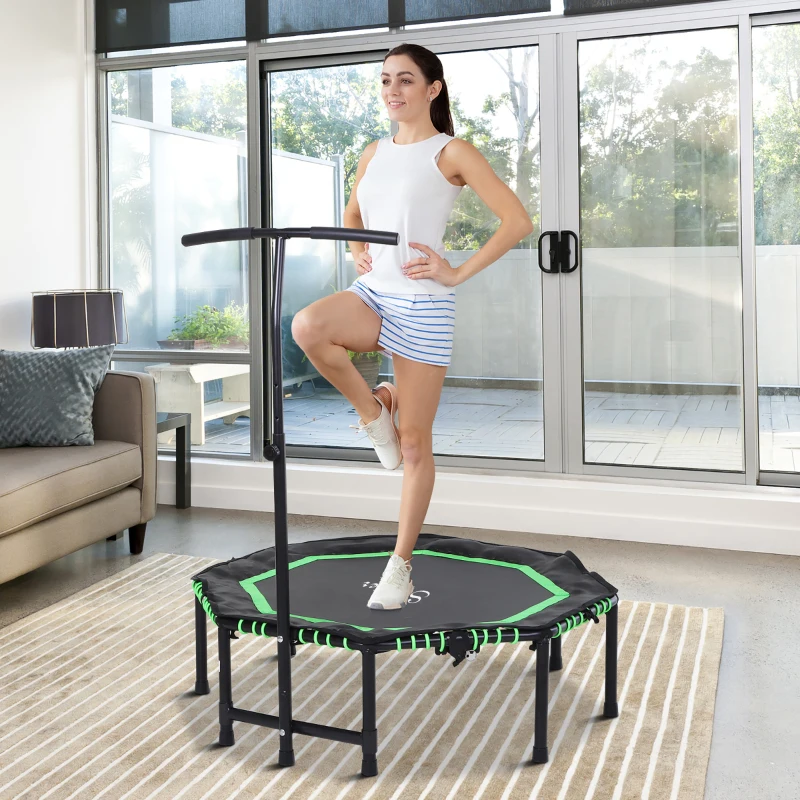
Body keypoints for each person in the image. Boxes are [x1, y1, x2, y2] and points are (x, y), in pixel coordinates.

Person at [291, 42, 533, 610]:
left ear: (432, 89)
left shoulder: (452, 152)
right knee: (308, 327)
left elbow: (517, 220)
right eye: (384, 81)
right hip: (375, 293)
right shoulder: (373, 151)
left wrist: (455, 272)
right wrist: (357, 251)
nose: (392, 90)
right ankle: (375, 412)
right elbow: (354, 213)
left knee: (416, 446)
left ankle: (399, 566)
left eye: (404, 80)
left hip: (423, 305)